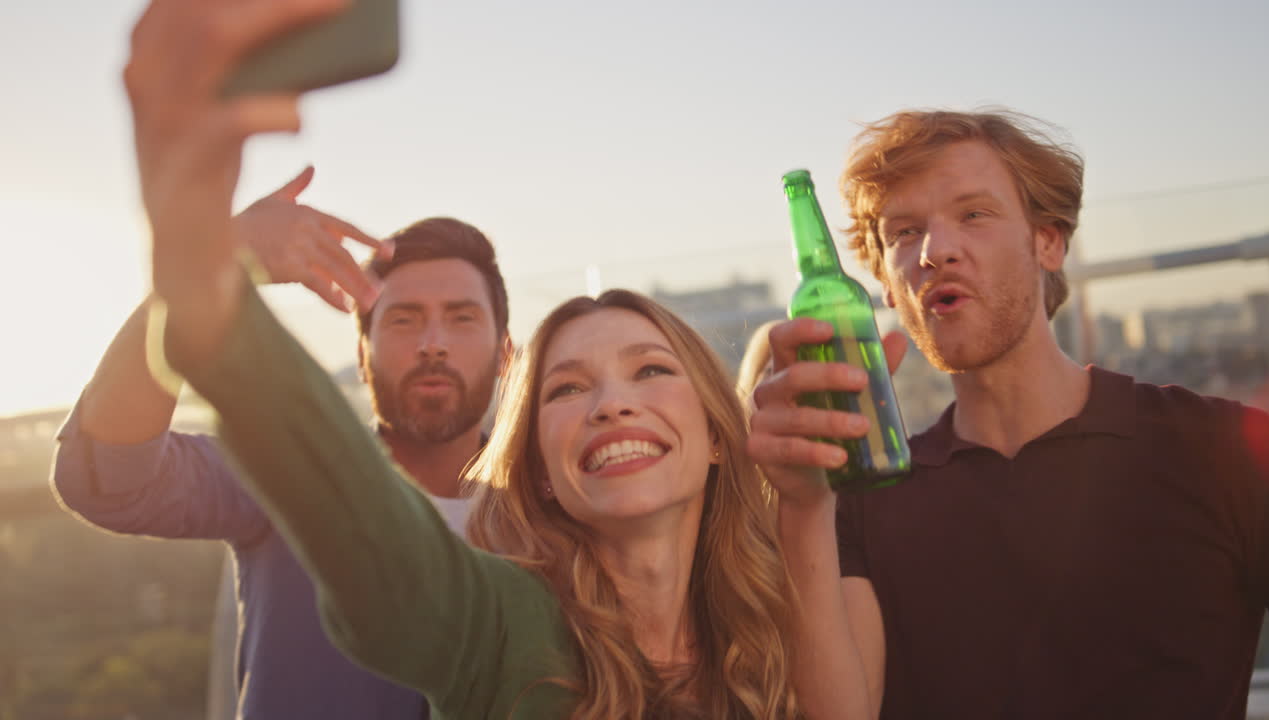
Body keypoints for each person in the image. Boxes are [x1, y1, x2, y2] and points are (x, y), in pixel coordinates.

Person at [118, 1, 823, 718]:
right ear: (541, 473)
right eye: (568, 388)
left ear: (714, 433)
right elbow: (353, 512)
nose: (611, 402)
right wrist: (195, 241)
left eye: (650, 369)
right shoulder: (497, 628)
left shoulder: (773, 634)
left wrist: (812, 505)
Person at [750, 108, 1269, 719]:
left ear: (1047, 241)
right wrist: (802, 504)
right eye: (903, 233)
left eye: (974, 214)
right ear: (889, 291)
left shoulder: (1219, 448)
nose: (935, 251)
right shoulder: (866, 503)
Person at [52, 169, 512, 718]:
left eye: (461, 319)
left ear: (507, 354)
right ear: (362, 357)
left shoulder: (561, 512)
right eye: (404, 320)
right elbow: (106, 476)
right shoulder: (288, 471)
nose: (432, 344)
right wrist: (210, 262)